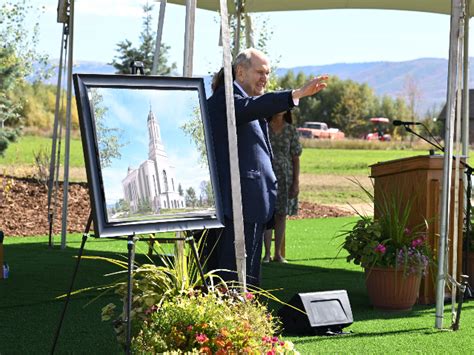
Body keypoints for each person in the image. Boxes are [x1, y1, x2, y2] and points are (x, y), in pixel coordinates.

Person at [206, 48, 328, 286]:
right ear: (240, 72)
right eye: (260, 72)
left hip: (251, 205)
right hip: (237, 207)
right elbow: (253, 107)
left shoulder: (243, 102)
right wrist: (296, 94)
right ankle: (236, 322)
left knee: (248, 279)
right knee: (233, 281)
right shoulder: (227, 100)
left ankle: (246, 321)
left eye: (268, 73)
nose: (265, 78)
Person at [263, 110, 301, 263]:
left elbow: (296, 158)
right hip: (266, 175)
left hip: (286, 178)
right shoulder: (263, 126)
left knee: (281, 215)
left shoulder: (291, 130)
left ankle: (278, 254)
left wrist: (296, 182)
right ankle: (266, 254)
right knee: (267, 214)